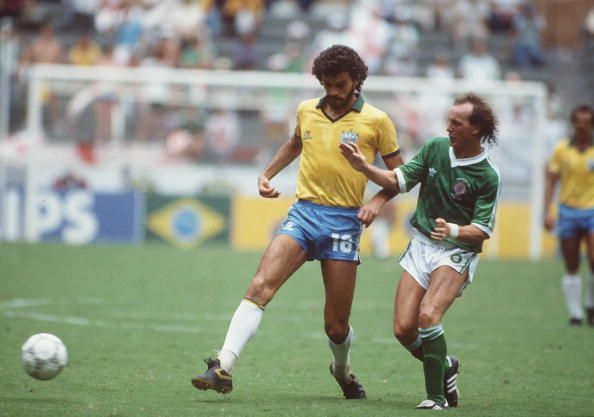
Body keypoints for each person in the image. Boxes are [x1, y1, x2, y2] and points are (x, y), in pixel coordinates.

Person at [191, 44, 403, 398]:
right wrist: (266, 173)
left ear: (356, 80)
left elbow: (400, 176)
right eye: (327, 84)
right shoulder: (307, 110)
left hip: (344, 222)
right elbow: (294, 144)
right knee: (259, 288)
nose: (334, 92)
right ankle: (223, 366)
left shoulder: (377, 120)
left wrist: (378, 201)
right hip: (303, 215)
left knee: (336, 328)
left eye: (341, 84)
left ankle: (342, 371)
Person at [340, 93, 501, 410]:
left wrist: (454, 230)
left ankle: (436, 397)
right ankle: (446, 365)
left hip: (456, 251)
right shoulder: (435, 148)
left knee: (428, 316)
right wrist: (363, 167)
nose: (449, 127)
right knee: (403, 329)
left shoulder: (488, 174)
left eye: (456, 122)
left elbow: (482, 229)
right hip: (422, 246)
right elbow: (399, 180)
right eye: (449, 121)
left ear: (475, 128)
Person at [543, 104, 594, 326]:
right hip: (568, 211)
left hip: (592, 210)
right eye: (578, 122)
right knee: (571, 263)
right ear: (573, 124)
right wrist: (547, 210)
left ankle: (590, 304)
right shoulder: (562, 149)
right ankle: (576, 314)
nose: (582, 126)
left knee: (593, 260)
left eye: (586, 122)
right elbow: (552, 180)